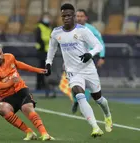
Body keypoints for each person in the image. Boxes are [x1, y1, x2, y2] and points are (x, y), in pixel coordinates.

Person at [45, 4, 112, 137]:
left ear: (74, 16)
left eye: (69, 15)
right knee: (79, 95)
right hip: (72, 72)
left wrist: (90, 54)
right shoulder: (56, 32)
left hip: (88, 69)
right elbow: (52, 49)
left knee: (98, 99)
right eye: (63, 16)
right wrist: (48, 63)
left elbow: (98, 45)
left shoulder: (83, 31)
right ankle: (95, 127)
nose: (66, 18)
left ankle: (107, 115)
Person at [0, 42, 55, 141]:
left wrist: (37, 70)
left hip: (20, 89)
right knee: (2, 109)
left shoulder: (9, 57)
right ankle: (29, 132)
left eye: (1, 53)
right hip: (7, 96)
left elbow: (19, 65)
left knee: (27, 107)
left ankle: (45, 134)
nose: (0, 56)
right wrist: (11, 82)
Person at [68, 9, 106, 113]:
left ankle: (84, 105)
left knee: (87, 83)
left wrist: (102, 57)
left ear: (86, 18)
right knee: (74, 83)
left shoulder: (92, 29)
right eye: (78, 16)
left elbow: (100, 43)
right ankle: (76, 101)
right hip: (73, 60)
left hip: (88, 59)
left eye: (81, 16)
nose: (79, 18)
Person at [35, 12, 52, 90]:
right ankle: (39, 84)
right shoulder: (40, 27)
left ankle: (43, 84)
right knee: (41, 68)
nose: (47, 19)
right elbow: (38, 38)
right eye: (46, 17)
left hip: (47, 50)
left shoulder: (49, 27)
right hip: (41, 50)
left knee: (45, 68)